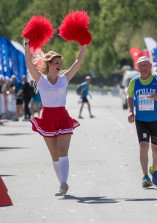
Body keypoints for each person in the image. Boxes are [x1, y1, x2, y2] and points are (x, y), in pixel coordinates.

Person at [24, 37, 87, 196]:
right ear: (50, 63)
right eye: (57, 62)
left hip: (63, 116)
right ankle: (61, 184)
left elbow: (78, 61)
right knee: (54, 156)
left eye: (61, 63)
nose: (60, 65)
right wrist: (27, 44)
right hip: (47, 118)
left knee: (63, 151)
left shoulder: (64, 79)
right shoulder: (41, 80)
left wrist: (83, 42)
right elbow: (29, 63)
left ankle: (64, 182)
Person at [127, 56, 157, 188]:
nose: (143, 68)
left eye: (145, 65)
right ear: (137, 68)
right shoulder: (134, 82)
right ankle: (145, 176)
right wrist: (131, 111)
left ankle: (154, 168)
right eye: (140, 66)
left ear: (150, 66)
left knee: (156, 149)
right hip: (142, 121)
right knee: (143, 147)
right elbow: (130, 97)